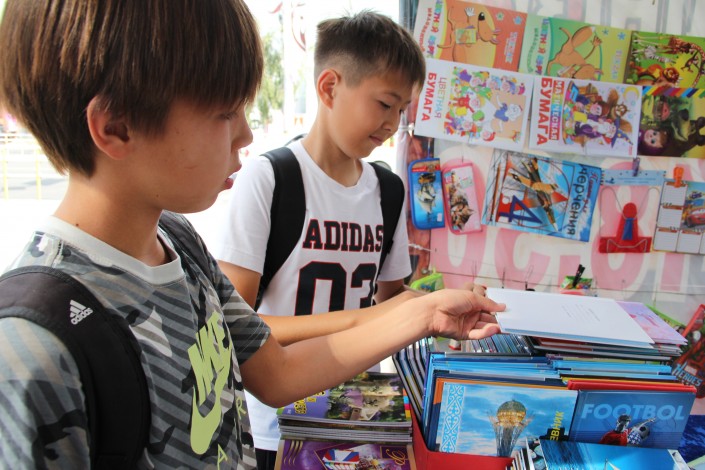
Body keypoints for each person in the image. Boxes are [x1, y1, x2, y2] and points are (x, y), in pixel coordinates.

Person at [0, 1, 504, 468]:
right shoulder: (33, 347)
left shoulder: (180, 245)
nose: (245, 134)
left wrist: (424, 314)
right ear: (116, 127)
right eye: (225, 113)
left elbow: (278, 372)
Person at [212, 11, 490, 467]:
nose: (393, 123)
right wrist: (365, 320)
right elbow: (235, 326)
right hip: (275, 426)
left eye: (402, 110)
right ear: (329, 88)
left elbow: (392, 301)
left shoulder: (388, 190)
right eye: (384, 104)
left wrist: (442, 304)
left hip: (357, 413)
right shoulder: (271, 177)